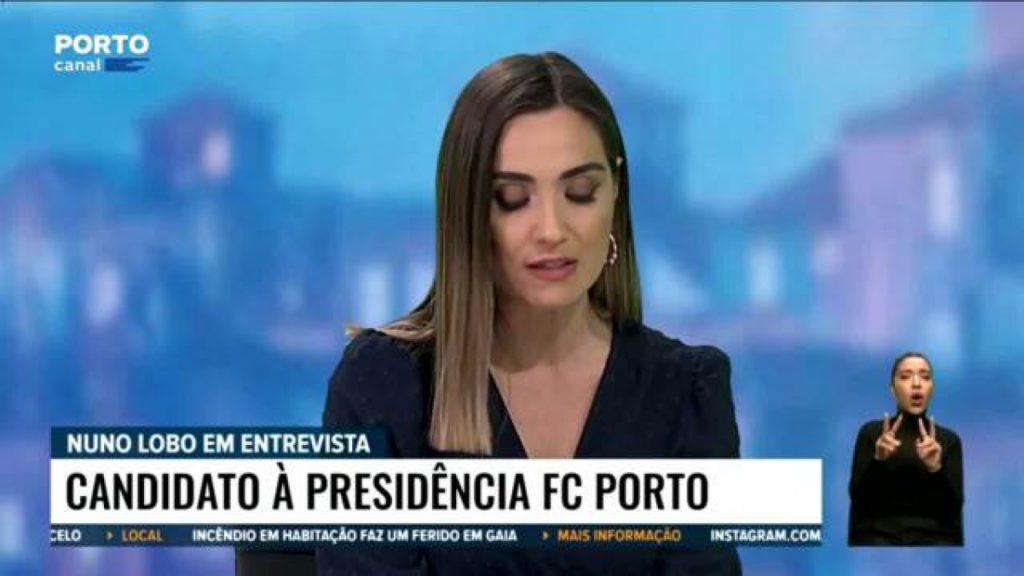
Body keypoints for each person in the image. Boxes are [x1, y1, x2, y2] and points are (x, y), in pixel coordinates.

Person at [317, 51, 741, 575]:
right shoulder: (383, 387)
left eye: (580, 193)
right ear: (468, 213)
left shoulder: (686, 391)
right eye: (513, 199)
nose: (552, 230)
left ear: (615, 192)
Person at [848, 352, 964, 546]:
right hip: (879, 543)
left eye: (925, 377)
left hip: (933, 544)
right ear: (893, 389)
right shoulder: (871, 433)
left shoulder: (949, 440)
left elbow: (953, 512)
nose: (916, 383)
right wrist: (878, 461)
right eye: (905, 376)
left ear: (932, 388)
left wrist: (935, 469)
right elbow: (858, 502)